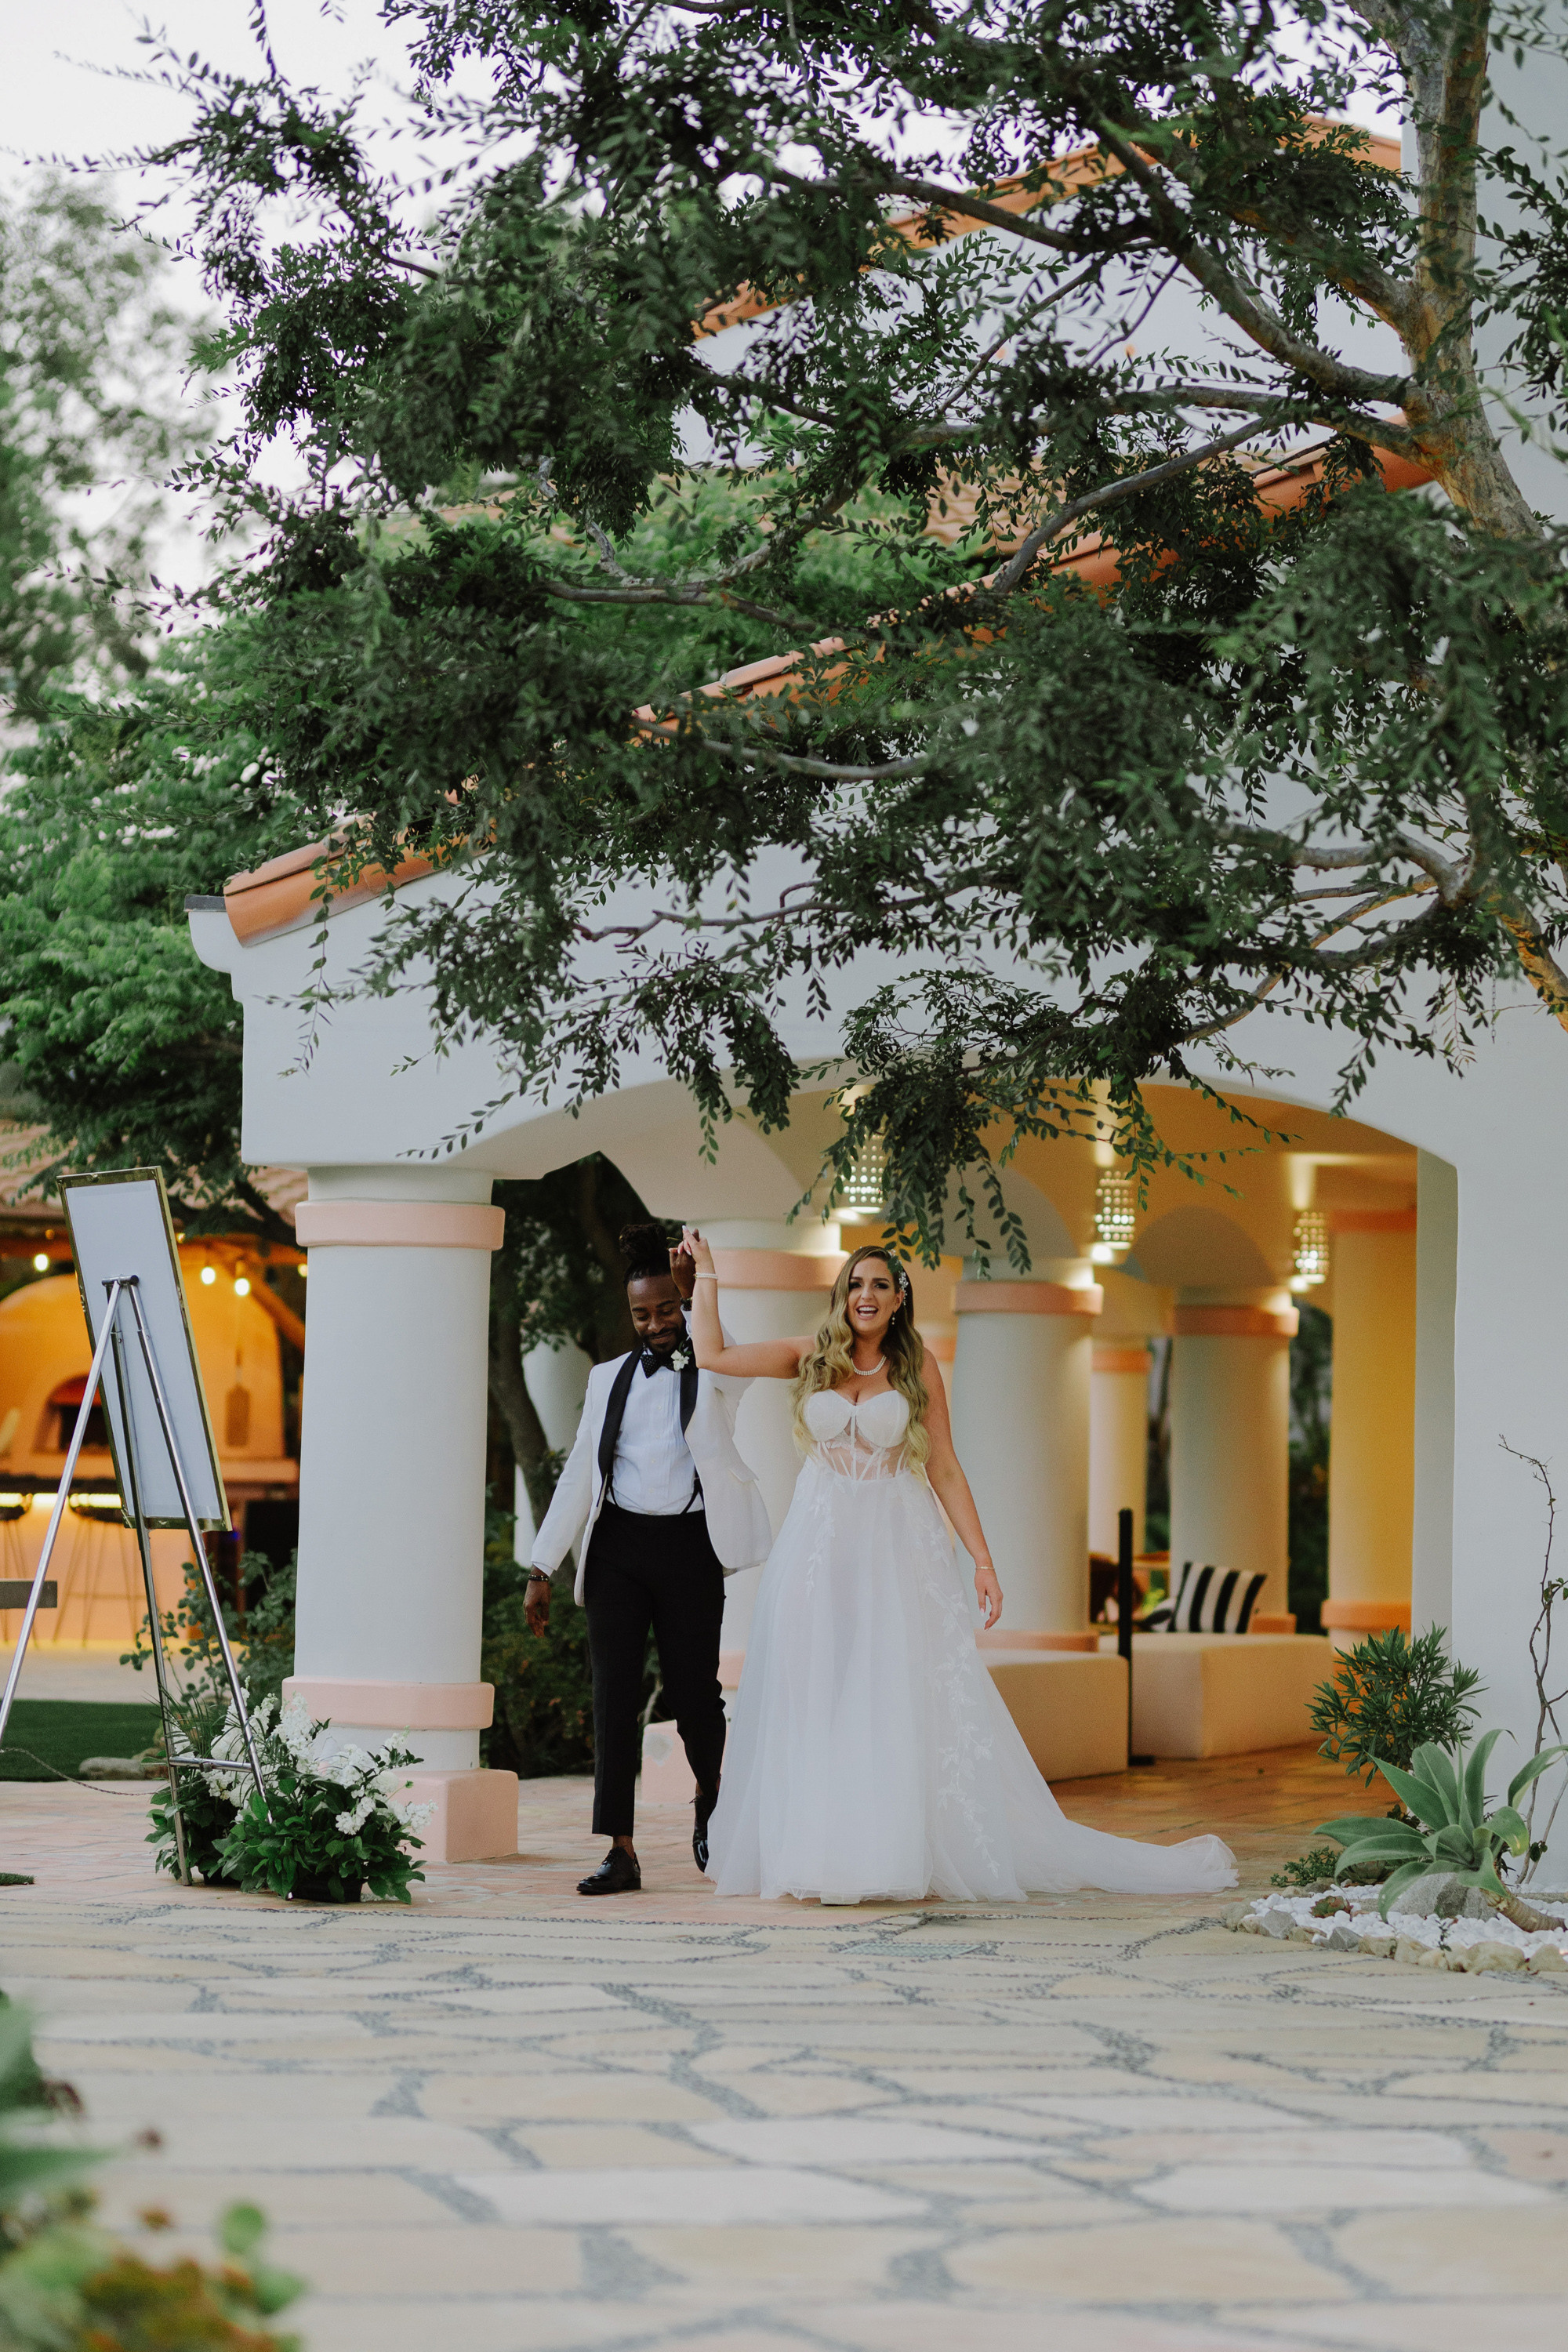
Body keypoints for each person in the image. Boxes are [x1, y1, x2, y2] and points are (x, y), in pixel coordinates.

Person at [681, 1229, 1238, 1905]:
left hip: (895, 1547)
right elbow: (714, 1354)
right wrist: (706, 1273)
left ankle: (886, 1850)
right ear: (841, 1295)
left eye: (880, 1285)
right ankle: (816, 1848)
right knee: (817, 1687)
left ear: (898, 1300)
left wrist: (983, 1560)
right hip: (817, 1550)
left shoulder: (917, 1370)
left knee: (888, 1691)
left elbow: (942, 1464)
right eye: (856, 1284)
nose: (866, 1295)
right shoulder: (810, 1358)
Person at [526, 1223, 771, 1894]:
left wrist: (697, 1302)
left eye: (667, 1310)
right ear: (629, 1315)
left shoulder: (717, 1370)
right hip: (618, 1552)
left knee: (696, 1696)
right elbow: (580, 1472)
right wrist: (544, 1566)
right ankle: (621, 1850)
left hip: (691, 1546)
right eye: (644, 1313)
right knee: (613, 1698)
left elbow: (729, 1356)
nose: (656, 1323)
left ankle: (710, 1802)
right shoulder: (608, 1379)